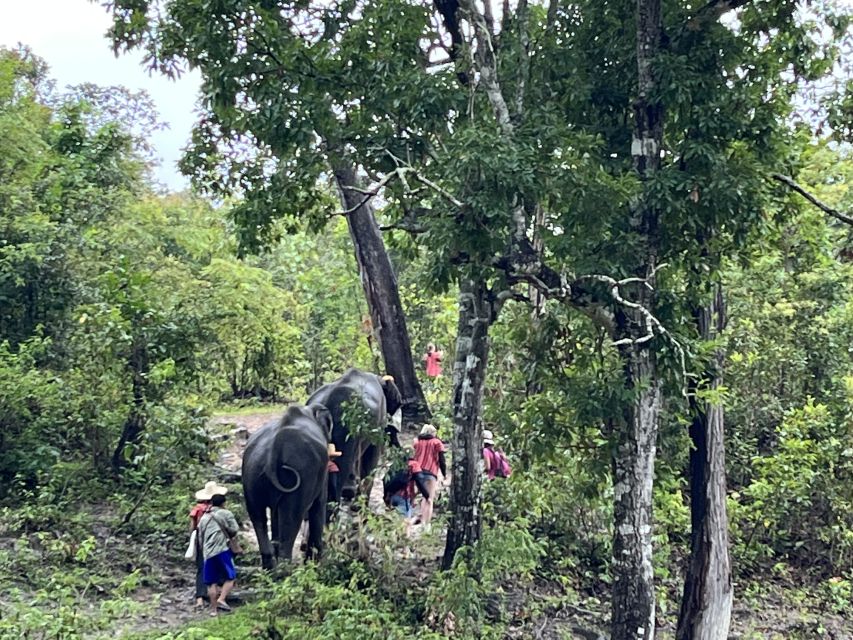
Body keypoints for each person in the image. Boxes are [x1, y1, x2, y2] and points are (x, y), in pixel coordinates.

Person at [197, 486, 239, 617]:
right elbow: (235, 529)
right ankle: (222, 599)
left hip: (208, 552)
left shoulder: (204, 517)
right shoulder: (226, 514)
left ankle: (213, 609)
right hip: (222, 550)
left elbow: (200, 535)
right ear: (223, 503)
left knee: (211, 582)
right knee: (230, 577)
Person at [412, 424, 446, 530]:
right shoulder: (437, 443)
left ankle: (415, 520)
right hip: (430, 472)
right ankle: (426, 525)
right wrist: (444, 473)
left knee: (418, 497)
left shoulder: (417, 442)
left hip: (417, 472)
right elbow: (442, 460)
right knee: (429, 499)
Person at [189, 482, 217, 609]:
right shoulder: (217, 509)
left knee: (201, 567)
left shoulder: (197, 509)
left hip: (201, 539)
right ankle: (214, 595)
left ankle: (199, 598)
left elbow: (192, 527)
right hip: (215, 541)